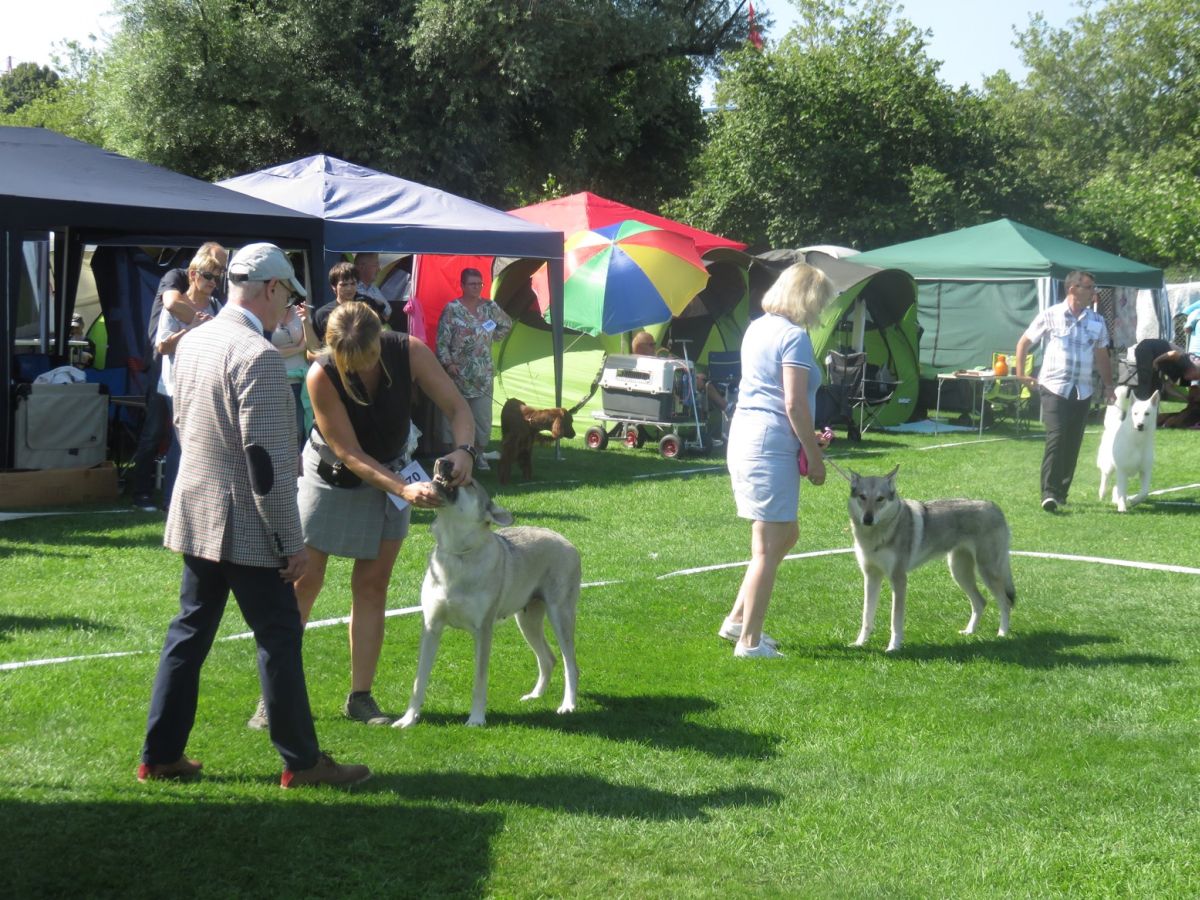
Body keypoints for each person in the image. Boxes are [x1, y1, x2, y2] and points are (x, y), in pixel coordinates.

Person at [138, 242, 369, 789]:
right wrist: (291, 543)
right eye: (287, 295)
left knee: (189, 633)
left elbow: (183, 426)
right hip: (245, 522)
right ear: (269, 289)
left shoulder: (192, 342)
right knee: (280, 635)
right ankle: (303, 761)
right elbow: (265, 466)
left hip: (196, 512)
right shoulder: (258, 356)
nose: (290, 307)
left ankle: (160, 754)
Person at [247, 300, 476, 730]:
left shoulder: (409, 351)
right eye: (348, 363)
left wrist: (464, 450)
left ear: (381, 338)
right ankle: (273, 698)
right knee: (303, 582)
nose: (361, 371)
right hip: (332, 478)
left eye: (368, 359)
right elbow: (348, 453)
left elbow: (458, 409)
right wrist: (402, 488)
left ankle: (360, 698)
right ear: (331, 351)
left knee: (372, 587)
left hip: (392, 473)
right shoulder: (320, 375)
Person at [719, 263, 837, 659]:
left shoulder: (758, 327)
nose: (820, 312)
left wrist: (807, 438)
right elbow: (793, 402)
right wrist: (814, 453)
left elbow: (781, 399)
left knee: (784, 535)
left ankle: (738, 619)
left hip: (751, 435)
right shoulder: (794, 337)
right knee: (769, 546)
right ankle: (749, 642)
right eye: (820, 303)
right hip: (768, 442)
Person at [130, 242, 226, 512]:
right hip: (170, 382)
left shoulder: (217, 304)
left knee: (194, 441)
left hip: (201, 383)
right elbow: (162, 344)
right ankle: (156, 497)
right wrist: (193, 328)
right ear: (194, 273)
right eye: (210, 274)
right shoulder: (175, 284)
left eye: (218, 275)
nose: (214, 280)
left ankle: (191, 499)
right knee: (162, 436)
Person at [1015, 270, 1115, 513]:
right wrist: (1020, 374)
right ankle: (1048, 493)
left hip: (1083, 389)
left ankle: (1061, 492)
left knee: (1072, 442)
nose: (1094, 292)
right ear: (1073, 289)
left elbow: (1101, 356)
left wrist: (1109, 385)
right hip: (1053, 386)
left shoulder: (1097, 321)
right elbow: (1024, 342)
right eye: (1090, 287)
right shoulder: (1051, 315)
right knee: (1056, 437)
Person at [436, 267, 512, 470]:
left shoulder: (489, 307)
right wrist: (448, 363)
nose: (477, 287)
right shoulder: (452, 309)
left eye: (480, 284)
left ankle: (478, 455)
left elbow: (506, 324)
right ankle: (456, 454)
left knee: (482, 418)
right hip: (457, 374)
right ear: (462, 286)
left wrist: (491, 338)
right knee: (455, 414)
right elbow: (441, 341)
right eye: (472, 284)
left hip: (483, 374)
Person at [270, 297, 318, 449]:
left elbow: (313, 347)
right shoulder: (265, 313)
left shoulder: (299, 313)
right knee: (282, 431)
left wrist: (305, 320)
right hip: (276, 380)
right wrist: (298, 348)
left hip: (301, 381)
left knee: (301, 429)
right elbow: (268, 350)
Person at [311, 260, 390, 344]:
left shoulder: (367, 305)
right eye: (344, 285)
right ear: (334, 287)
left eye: (353, 284)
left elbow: (383, 320)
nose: (349, 288)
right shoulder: (322, 314)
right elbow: (316, 347)